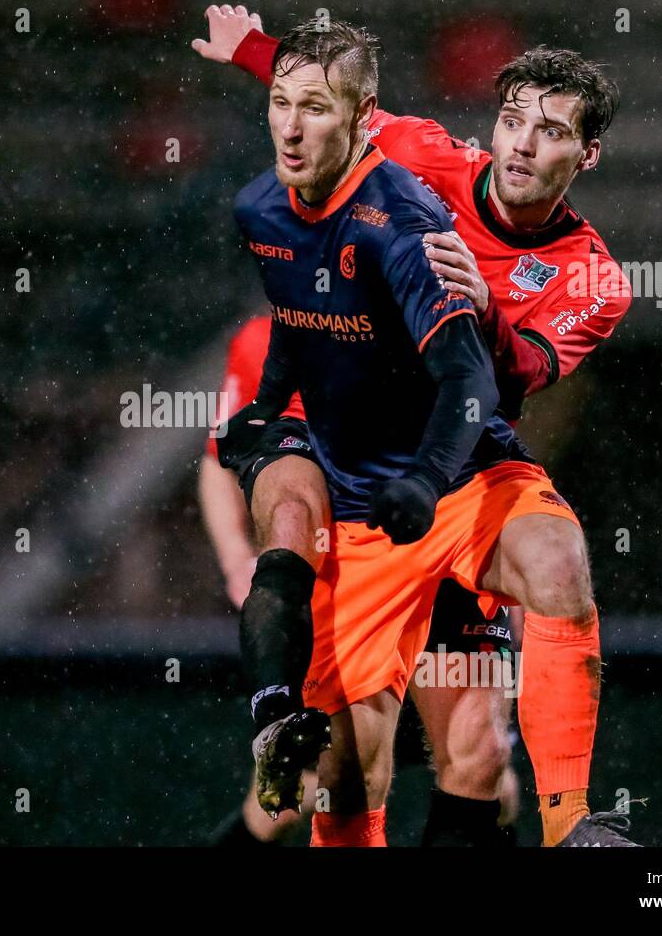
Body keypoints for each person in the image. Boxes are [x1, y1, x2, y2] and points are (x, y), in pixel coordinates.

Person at [194, 6, 636, 846]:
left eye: (549, 132)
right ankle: (280, 720)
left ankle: (572, 823)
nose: (522, 146)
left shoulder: (595, 279)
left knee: (489, 717)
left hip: (462, 473)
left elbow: (521, 372)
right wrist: (251, 49)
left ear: (587, 155)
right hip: (364, 489)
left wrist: (482, 305)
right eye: (512, 121)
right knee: (346, 777)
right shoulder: (420, 157)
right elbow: (335, 106)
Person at [200, 315, 521, 846]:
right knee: (313, 791)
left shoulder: (441, 329)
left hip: (441, 574)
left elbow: (492, 454)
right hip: (349, 591)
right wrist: (239, 558)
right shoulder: (269, 339)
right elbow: (221, 458)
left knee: (487, 770)